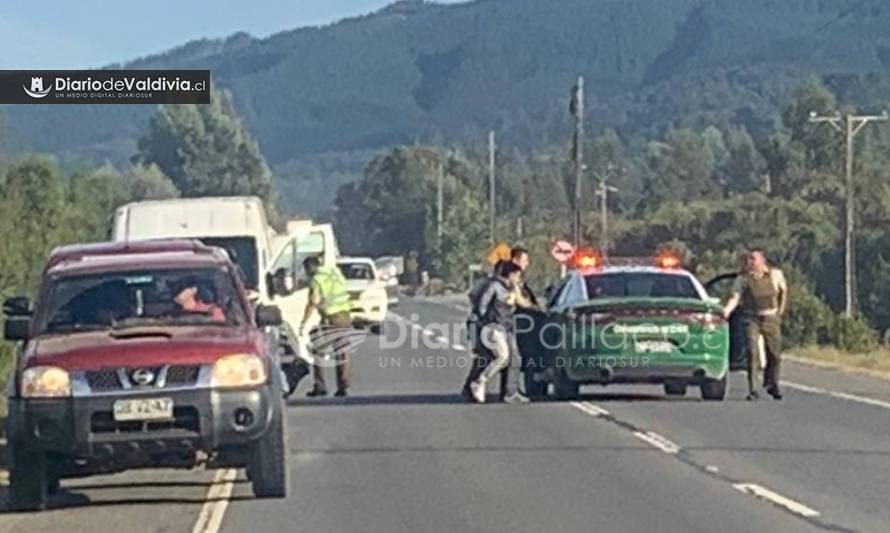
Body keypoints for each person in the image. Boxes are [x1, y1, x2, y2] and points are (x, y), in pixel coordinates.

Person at [722, 249, 788, 401]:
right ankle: (753, 388)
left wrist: (780, 312)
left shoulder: (775, 274)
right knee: (752, 352)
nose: (750, 262)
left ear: (762, 260)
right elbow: (735, 298)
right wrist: (725, 313)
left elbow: (783, 292)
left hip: (770, 317)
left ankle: (772, 383)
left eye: (753, 259)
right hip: (751, 318)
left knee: (775, 354)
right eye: (748, 259)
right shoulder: (743, 279)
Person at [468, 261, 529, 404]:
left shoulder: (512, 289)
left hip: (506, 327)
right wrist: (485, 321)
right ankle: (479, 381)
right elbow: (482, 306)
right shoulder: (495, 286)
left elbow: (521, 302)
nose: (519, 279)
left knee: (506, 358)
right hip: (493, 327)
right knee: (502, 356)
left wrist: (517, 289)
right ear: (511, 274)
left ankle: (480, 382)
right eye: (517, 276)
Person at [299, 256, 353, 398]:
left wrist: (304, 322)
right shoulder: (334, 272)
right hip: (345, 315)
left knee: (319, 351)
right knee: (341, 352)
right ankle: (343, 386)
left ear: (310, 267)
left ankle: (320, 386)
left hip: (331, 318)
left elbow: (314, 302)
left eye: (306, 269)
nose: (306, 273)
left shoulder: (316, 280)